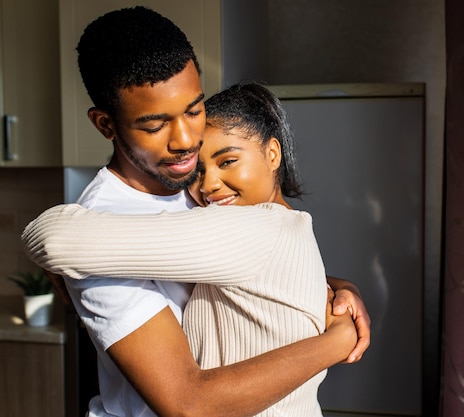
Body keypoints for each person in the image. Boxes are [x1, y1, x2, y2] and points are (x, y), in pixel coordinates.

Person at [23, 7, 369, 417]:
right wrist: (335, 342)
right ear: (105, 125)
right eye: (155, 126)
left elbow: (258, 268)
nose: (187, 141)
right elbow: (188, 403)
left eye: (193, 109)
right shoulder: (97, 226)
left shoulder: (194, 187)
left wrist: (338, 288)